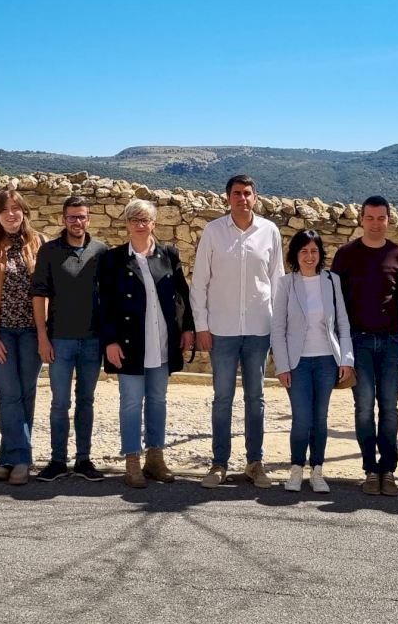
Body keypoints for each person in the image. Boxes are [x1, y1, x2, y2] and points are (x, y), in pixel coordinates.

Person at [191, 174, 283, 489]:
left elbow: (277, 282)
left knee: (256, 398)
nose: (242, 198)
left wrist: (279, 328)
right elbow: (199, 282)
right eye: (236, 193)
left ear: (255, 197)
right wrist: (202, 326)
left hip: (259, 329)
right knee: (222, 398)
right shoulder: (213, 231)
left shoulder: (270, 231)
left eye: (247, 193)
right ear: (227, 198)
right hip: (222, 330)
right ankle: (219, 464)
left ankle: (255, 463)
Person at [98, 199, 195, 488]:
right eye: (134, 220)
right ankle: (132, 461)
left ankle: (155, 458)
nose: (140, 225)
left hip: (162, 341)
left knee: (158, 400)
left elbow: (182, 294)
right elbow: (105, 303)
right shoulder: (113, 258)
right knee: (130, 402)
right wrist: (110, 341)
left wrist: (187, 329)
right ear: (126, 224)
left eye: (145, 220)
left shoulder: (169, 254)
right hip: (129, 343)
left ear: (154, 223)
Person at [331, 196, 398, 497]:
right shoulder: (346, 255)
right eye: (370, 218)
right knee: (364, 407)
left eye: (381, 218)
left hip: (391, 342)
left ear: (389, 220)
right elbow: (335, 302)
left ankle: (387, 469)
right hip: (358, 342)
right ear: (361, 219)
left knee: (389, 407)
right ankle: (369, 470)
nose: (376, 223)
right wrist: (339, 346)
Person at [271, 230, 354, 493]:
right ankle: (296, 469)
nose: (310, 256)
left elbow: (343, 323)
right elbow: (278, 328)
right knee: (302, 419)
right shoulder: (286, 283)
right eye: (304, 251)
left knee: (320, 418)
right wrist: (282, 365)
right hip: (297, 363)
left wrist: (346, 359)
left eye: (314, 251)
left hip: (327, 361)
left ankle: (317, 471)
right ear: (295, 254)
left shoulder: (331, 280)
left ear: (321, 253)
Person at [0, 190, 46, 486]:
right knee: (9, 393)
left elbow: (48, 291)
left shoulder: (40, 243)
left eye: (16, 208)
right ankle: (22, 459)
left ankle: (7, 458)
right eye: (4, 210)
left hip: (32, 332)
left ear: (25, 212)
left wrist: (45, 333)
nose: (11, 214)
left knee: (26, 393)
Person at [32, 196, 109, 482]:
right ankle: (57, 460)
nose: (77, 222)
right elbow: (39, 294)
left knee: (86, 401)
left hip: (93, 340)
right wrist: (42, 337)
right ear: (63, 219)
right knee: (59, 403)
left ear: (89, 219)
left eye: (82, 217)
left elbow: (109, 297)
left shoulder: (101, 251)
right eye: (72, 217)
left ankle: (84, 460)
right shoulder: (49, 251)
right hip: (60, 340)